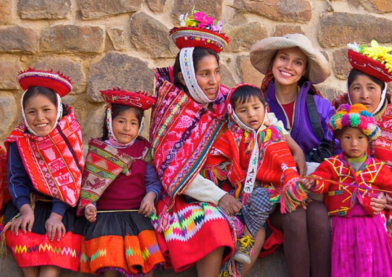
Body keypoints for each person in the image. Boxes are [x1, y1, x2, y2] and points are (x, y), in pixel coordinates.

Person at [149, 9, 238, 276]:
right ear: (185, 76)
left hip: (226, 184)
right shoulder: (171, 107)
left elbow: (258, 119)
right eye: (204, 74)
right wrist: (218, 196)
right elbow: (171, 168)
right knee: (211, 222)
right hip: (181, 194)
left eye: (217, 72)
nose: (214, 82)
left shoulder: (224, 99)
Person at [249, 33, 334, 277]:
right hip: (271, 195)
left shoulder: (321, 107)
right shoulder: (256, 106)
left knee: (318, 215)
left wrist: (315, 174)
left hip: (314, 193)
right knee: (295, 217)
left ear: (305, 70)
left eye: (297, 62)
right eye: (283, 58)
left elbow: (336, 151)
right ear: (273, 62)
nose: (288, 66)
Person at [204, 84, 308, 269]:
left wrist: (292, 182)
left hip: (272, 189)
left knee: (259, 199)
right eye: (243, 110)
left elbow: (284, 161)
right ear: (233, 114)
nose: (251, 114)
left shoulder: (273, 133)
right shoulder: (232, 136)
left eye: (256, 108)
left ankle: (246, 243)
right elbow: (213, 160)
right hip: (241, 193)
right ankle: (230, 271)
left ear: (265, 109)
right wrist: (224, 168)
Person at [1, 69, 85, 277]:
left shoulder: (68, 137)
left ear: (57, 109)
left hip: (61, 209)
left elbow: (70, 183)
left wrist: (56, 216)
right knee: (21, 237)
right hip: (29, 205)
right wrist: (26, 209)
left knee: (54, 245)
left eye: (46, 109)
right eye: (32, 111)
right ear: (24, 112)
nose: (40, 118)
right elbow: (15, 179)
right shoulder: (18, 141)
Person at [301, 103, 392, 277]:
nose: (354, 143)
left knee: (373, 266)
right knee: (346, 266)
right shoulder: (332, 165)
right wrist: (313, 183)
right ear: (339, 138)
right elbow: (321, 179)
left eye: (360, 137)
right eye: (347, 137)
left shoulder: (377, 168)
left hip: (372, 226)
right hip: (343, 225)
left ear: (369, 139)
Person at [77, 89, 165, 277]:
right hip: (105, 219)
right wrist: (90, 206)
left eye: (133, 123)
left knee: (145, 266)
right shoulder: (99, 151)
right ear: (109, 121)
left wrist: (150, 197)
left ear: (140, 126)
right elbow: (89, 188)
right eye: (121, 121)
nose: (127, 128)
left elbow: (153, 182)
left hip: (137, 218)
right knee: (110, 266)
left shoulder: (143, 150)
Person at [332, 40, 392, 260]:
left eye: (371, 88)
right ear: (348, 92)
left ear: (383, 91)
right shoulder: (338, 118)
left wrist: (389, 197)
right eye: (357, 88)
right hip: (352, 198)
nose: (364, 96)